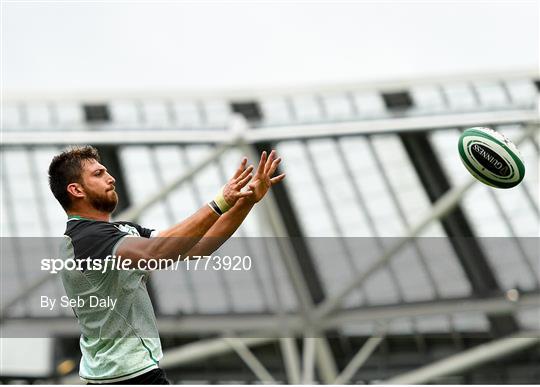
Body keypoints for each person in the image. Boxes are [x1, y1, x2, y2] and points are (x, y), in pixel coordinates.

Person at [48, 145, 285, 384]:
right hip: (125, 378)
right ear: (76, 189)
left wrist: (247, 201)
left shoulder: (120, 231)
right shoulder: (86, 238)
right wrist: (219, 202)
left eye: (106, 171)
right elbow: (155, 252)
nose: (111, 179)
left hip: (122, 375)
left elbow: (201, 245)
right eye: (98, 174)